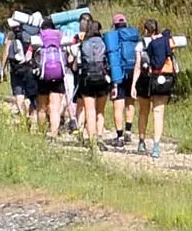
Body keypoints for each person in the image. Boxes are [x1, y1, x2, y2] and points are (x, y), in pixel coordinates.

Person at [131, 19, 175, 159]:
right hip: (161, 80)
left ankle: (142, 141)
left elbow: (138, 66)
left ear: (145, 30)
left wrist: (133, 85)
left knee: (144, 112)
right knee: (158, 113)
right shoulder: (165, 42)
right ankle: (156, 145)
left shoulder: (140, 45)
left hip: (144, 80)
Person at [105, 13, 141, 147]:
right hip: (133, 72)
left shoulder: (113, 38)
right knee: (130, 101)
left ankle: (119, 136)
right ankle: (128, 130)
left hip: (118, 72)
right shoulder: (134, 35)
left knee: (118, 105)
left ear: (114, 25)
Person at [77, 20, 112, 148]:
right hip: (103, 78)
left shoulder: (83, 44)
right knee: (100, 111)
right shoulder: (105, 43)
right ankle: (100, 136)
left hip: (87, 79)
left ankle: (92, 139)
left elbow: (78, 64)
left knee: (90, 110)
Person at [34, 18, 69, 139]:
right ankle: (54, 134)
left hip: (43, 76)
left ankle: (42, 133)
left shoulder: (39, 38)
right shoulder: (60, 37)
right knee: (55, 107)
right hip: (58, 76)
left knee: (42, 107)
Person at [5, 16, 38, 128]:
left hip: (16, 69)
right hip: (29, 69)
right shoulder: (35, 35)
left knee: (19, 93)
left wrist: (3, 67)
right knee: (30, 95)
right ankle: (30, 116)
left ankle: (23, 117)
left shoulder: (13, 34)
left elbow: (7, 50)